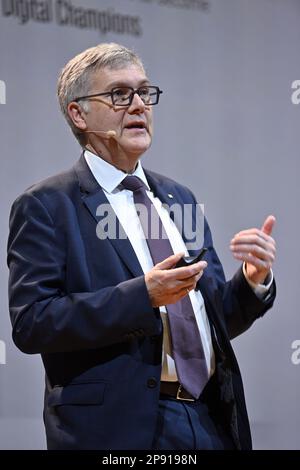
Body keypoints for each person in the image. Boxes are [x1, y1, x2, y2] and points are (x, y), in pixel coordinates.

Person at [7, 43, 276, 450]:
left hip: (209, 421)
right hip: (118, 430)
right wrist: (142, 296)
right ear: (78, 114)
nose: (138, 106)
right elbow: (32, 323)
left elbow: (211, 322)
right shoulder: (47, 205)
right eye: (119, 94)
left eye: (144, 93)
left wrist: (251, 283)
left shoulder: (177, 198)